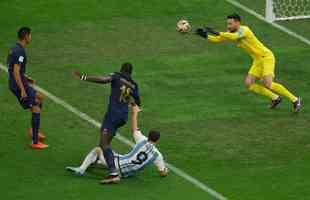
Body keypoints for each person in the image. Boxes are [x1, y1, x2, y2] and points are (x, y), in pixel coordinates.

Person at [195, 13, 302, 112]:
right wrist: (204, 35)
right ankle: (275, 98)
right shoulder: (230, 33)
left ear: (237, 22)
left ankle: (295, 99)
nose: (228, 26)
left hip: (266, 57)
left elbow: (234, 37)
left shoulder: (244, 30)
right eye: (227, 23)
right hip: (257, 60)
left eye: (230, 24)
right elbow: (217, 39)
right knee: (249, 84)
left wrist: (216, 31)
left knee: (268, 83)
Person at [73, 63, 141, 183]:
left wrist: (84, 77)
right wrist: (130, 101)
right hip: (123, 117)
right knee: (104, 143)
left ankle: (113, 173)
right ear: (130, 73)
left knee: (104, 144)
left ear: (121, 69)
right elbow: (137, 101)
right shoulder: (134, 85)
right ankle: (94, 162)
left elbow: (104, 80)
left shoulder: (117, 76)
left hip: (112, 115)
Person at [66, 105, 168, 183]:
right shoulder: (157, 155)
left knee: (99, 149)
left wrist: (135, 112)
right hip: (126, 173)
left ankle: (81, 169)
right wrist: (165, 170)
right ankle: (96, 163)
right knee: (106, 158)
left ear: (148, 136)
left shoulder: (142, 140)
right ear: (157, 140)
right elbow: (163, 173)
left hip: (117, 165)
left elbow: (134, 128)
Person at [7, 27, 48, 149]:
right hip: (18, 85)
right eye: (30, 35)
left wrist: (26, 78)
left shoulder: (15, 48)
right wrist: (23, 90)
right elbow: (15, 71)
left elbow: (13, 69)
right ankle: (35, 142)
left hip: (20, 81)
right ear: (25, 36)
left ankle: (33, 129)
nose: (31, 37)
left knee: (40, 97)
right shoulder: (20, 52)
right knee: (35, 107)